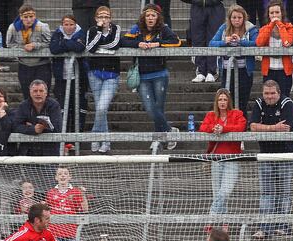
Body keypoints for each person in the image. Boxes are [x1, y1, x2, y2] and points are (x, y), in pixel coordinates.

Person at [122, 4, 181, 151]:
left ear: (157, 17)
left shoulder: (163, 29)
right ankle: (170, 131)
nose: (150, 18)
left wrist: (158, 44)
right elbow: (124, 41)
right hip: (142, 75)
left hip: (159, 74)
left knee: (158, 107)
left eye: (153, 15)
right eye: (147, 15)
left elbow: (177, 42)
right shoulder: (137, 28)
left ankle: (158, 138)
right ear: (144, 17)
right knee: (150, 108)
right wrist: (138, 44)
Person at [249, 80, 293, 238]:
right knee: (267, 193)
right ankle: (265, 227)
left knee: (284, 192)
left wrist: (265, 128)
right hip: (266, 154)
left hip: (285, 154)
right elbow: (253, 127)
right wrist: (274, 127)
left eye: (272, 93)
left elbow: (286, 128)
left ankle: (283, 225)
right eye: (266, 93)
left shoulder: (287, 103)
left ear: (279, 92)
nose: (269, 97)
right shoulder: (259, 103)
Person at [200, 89, 247, 220]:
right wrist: (214, 128)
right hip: (216, 158)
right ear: (216, 102)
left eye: (225, 99)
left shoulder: (237, 114)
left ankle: (211, 218)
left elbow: (241, 127)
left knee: (225, 192)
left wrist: (224, 129)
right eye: (220, 99)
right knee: (217, 193)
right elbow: (203, 127)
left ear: (229, 101)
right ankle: (223, 223)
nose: (222, 102)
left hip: (232, 158)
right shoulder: (211, 115)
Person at [85, 6, 122, 153]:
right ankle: (105, 141)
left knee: (101, 108)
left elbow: (115, 45)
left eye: (106, 17)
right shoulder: (92, 30)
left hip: (111, 75)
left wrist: (98, 46)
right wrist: (99, 32)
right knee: (101, 110)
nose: (104, 19)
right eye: (101, 16)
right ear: (96, 18)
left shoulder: (116, 29)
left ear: (110, 18)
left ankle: (96, 136)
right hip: (94, 73)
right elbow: (90, 48)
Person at [210, 5, 258, 111]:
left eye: (239, 18)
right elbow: (211, 43)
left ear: (244, 18)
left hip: (245, 71)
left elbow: (257, 43)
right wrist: (224, 42)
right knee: (227, 101)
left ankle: (242, 125)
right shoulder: (223, 28)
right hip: (227, 70)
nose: (236, 20)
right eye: (234, 17)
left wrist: (241, 41)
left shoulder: (251, 28)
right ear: (230, 18)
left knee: (242, 102)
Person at [50, 14, 86, 134]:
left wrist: (64, 43)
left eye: (71, 24)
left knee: (77, 107)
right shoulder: (57, 33)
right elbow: (54, 49)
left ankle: (77, 135)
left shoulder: (81, 33)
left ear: (75, 25)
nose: (69, 27)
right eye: (66, 24)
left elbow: (79, 47)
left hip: (78, 78)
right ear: (62, 25)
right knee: (63, 108)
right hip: (61, 78)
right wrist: (70, 44)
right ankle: (63, 136)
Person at [7, 4, 52, 101]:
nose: (29, 20)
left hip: (42, 65)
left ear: (35, 16)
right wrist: (23, 48)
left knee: (43, 95)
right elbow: (9, 44)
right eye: (25, 17)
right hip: (24, 65)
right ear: (21, 17)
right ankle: (29, 115)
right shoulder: (13, 28)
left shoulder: (42, 26)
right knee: (27, 95)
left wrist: (35, 45)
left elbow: (49, 43)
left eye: (31, 17)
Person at [13, 80, 63, 157]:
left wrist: (41, 128)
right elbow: (16, 126)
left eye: (41, 91)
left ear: (46, 93)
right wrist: (33, 129)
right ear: (30, 93)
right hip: (28, 151)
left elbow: (57, 128)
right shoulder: (23, 105)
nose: (38, 94)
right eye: (35, 91)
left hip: (50, 151)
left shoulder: (54, 105)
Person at [255, 1, 293, 97]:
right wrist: (271, 26)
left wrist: (280, 25)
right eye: (271, 13)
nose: (274, 15)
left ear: (282, 13)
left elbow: (287, 43)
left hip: (284, 72)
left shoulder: (289, 28)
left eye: (277, 12)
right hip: (269, 71)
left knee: (284, 98)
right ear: (268, 15)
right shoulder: (264, 29)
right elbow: (259, 43)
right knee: (269, 99)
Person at [188, 0, 225, 83]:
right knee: (198, 39)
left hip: (215, 6)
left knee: (214, 39)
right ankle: (201, 71)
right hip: (197, 7)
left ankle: (212, 71)